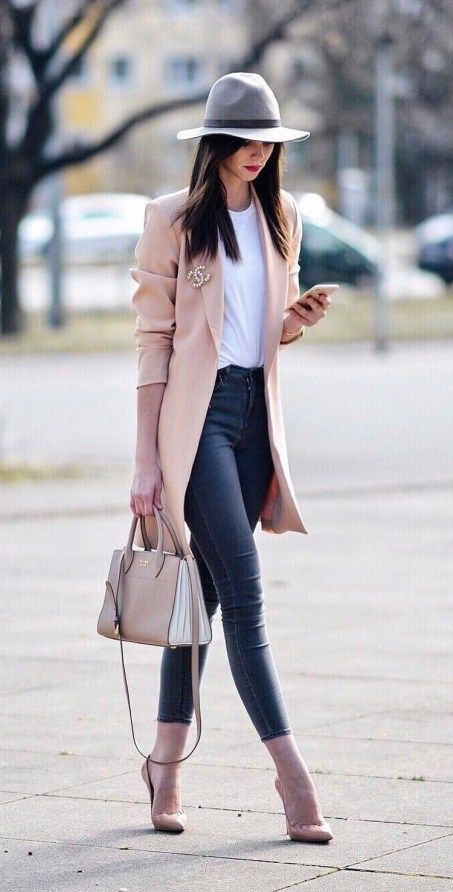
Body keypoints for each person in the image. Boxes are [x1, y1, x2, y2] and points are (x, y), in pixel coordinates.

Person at [129, 72, 333, 842]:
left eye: (267, 142)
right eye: (244, 140)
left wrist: (295, 320)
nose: (256, 153)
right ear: (214, 142)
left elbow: (263, 329)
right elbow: (154, 344)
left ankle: (164, 767)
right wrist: (145, 462)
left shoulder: (283, 217)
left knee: (205, 602)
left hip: (254, 420)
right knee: (245, 597)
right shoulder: (173, 220)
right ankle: (294, 781)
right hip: (197, 424)